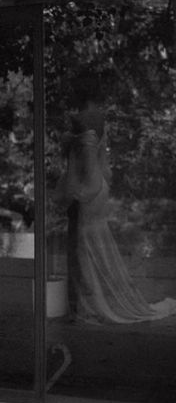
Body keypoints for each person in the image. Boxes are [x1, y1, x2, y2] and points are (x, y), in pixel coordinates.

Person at [56, 83, 176, 324]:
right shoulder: (100, 118)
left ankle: (89, 304)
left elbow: (78, 156)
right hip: (100, 183)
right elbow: (101, 159)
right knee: (96, 241)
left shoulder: (79, 118)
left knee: (85, 246)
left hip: (88, 186)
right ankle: (94, 300)